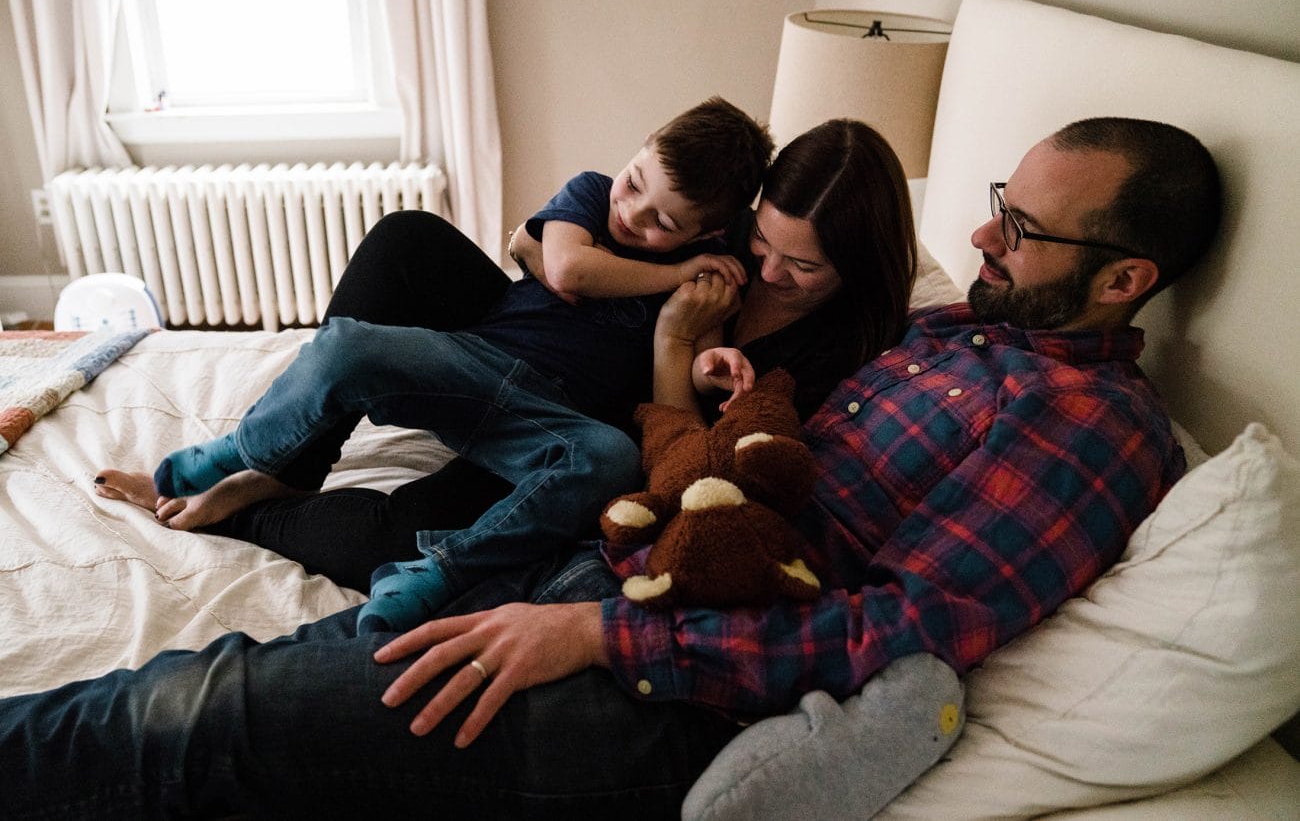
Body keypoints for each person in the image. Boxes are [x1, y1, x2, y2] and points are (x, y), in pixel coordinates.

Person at [1, 117, 1221, 817]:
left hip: (663, 678)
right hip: (613, 561)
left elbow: (901, 629)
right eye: (997, 202)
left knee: (210, 719)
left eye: (1020, 228)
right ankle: (273, 483)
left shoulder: (1087, 428)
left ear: (1124, 281)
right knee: (233, 689)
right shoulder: (946, 334)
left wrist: (601, 640)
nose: (979, 235)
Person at [94, 118, 918, 595]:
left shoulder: (840, 350)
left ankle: (250, 510)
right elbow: (538, 245)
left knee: (400, 535)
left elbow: (683, 461)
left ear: (857, 266)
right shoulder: (713, 231)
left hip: (582, 411)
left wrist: (673, 340)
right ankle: (287, 457)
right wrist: (542, 248)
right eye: (763, 241)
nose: (769, 270)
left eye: (801, 266)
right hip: (525, 342)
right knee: (407, 239)